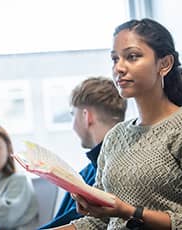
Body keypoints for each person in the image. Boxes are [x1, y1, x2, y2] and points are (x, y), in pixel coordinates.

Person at [52, 18, 182, 230]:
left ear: (164, 64)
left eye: (132, 57)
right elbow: (98, 222)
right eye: (114, 59)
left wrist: (129, 212)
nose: (118, 68)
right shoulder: (115, 136)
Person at [39, 77, 128, 229]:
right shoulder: (123, 162)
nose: (73, 125)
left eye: (73, 114)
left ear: (87, 116)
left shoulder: (95, 174)